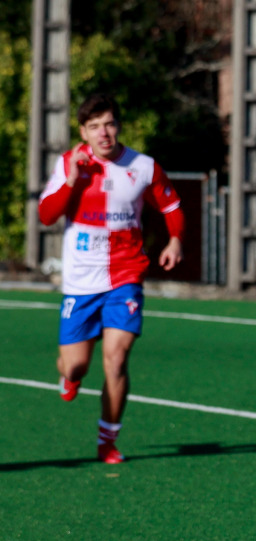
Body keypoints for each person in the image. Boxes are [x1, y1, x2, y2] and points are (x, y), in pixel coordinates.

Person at [37, 93, 184, 464]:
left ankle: (108, 441)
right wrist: (70, 181)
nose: (104, 133)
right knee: (76, 366)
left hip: (126, 275)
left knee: (116, 361)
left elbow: (171, 205)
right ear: (83, 132)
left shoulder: (143, 166)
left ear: (118, 126)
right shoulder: (69, 163)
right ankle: (69, 378)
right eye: (94, 126)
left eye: (109, 124)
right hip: (81, 283)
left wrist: (175, 240)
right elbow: (46, 215)